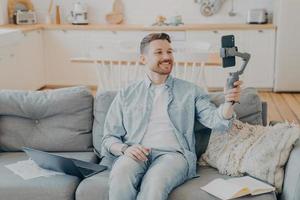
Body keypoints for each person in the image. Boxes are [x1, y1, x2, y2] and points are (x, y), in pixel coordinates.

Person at [100, 32, 242, 200]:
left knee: (154, 184)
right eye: (159, 52)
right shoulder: (126, 93)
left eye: (169, 51)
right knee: (121, 175)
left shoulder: (191, 91)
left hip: (173, 156)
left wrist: (229, 102)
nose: (167, 56)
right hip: (135, 152)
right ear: (143, 59)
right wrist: (125, 149)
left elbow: (217, 121)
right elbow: (109, 138)